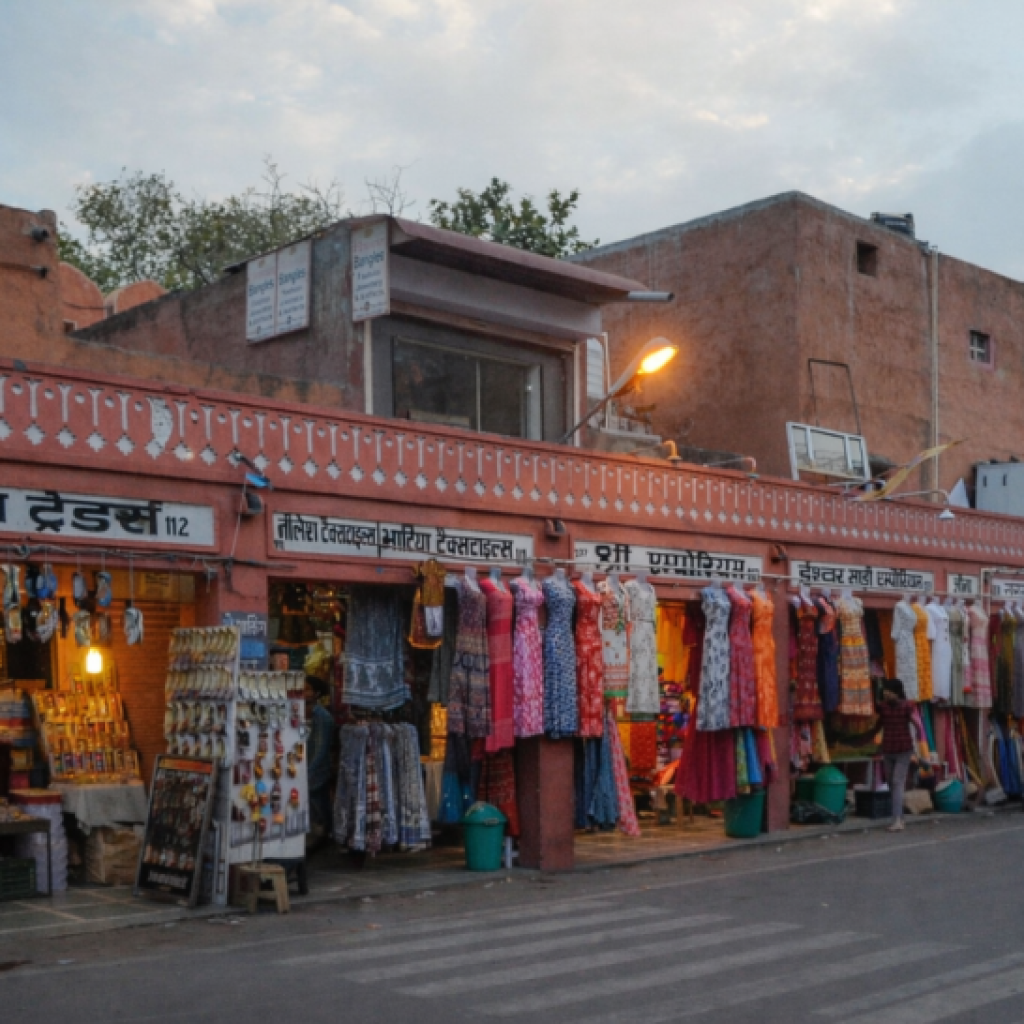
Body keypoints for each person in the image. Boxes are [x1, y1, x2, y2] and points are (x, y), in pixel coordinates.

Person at [876, 678, 916, 832]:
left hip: (903, 750)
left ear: (897, 692)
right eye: (885, 690)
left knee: (897, 782)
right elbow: (878, 724)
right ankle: (900, 818)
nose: (886, 693)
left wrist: (919, 736)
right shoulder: (883, 708)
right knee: (893, 784)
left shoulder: (907, 707)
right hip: (888, 750)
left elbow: (916, 722)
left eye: (889, 691)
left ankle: (896, 820)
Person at [304, 675, 335, 846]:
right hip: (308, 768)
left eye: (307, 689)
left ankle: (325, 835)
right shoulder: (304, 713)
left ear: (316, 693)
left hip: (317, 771)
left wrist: (309, 770)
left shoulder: (322, 717)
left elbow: (321, 748)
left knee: (319, 807)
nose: (303, 692)